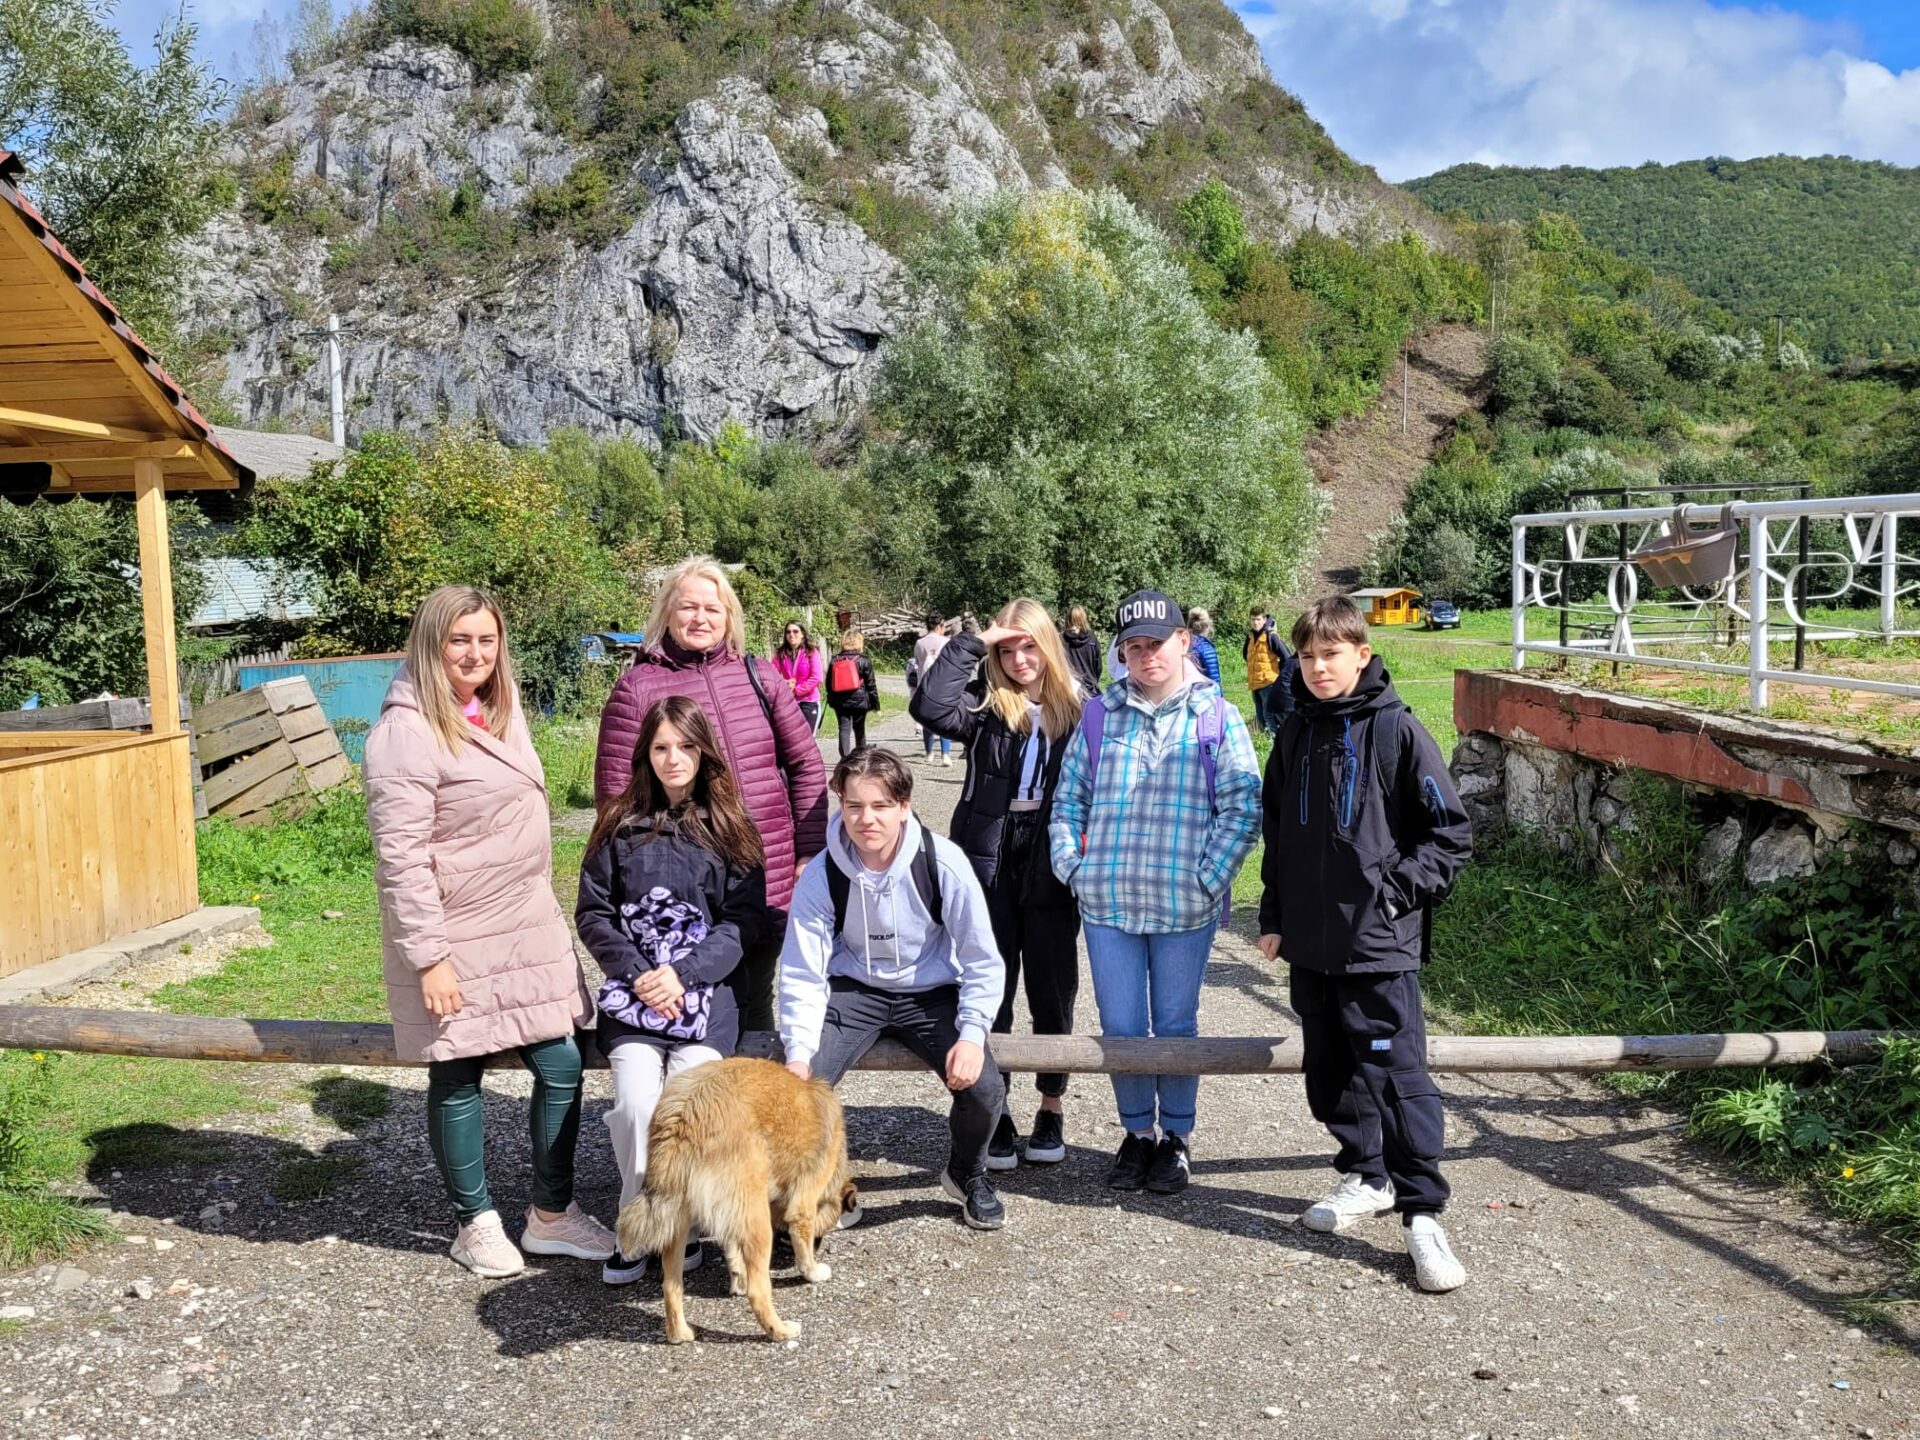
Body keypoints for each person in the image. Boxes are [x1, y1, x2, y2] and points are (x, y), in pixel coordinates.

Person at [365, 584, 613, 1278]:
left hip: (522, 920)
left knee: (561, 1061)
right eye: (458, 641)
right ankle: (474, 1222)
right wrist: (429, 959)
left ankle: (551, 1214)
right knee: (458, 1066)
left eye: (486, 639)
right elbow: (400, 857)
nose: (474, 654)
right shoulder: (406, 730)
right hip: (455, 929)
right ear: (431, 644)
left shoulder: (501, 711)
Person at [1256, 595, 1473, 1293]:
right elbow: (1278, 834)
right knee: (1330, 1073)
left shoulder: (1397, 731)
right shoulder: (1293, 734)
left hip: (1378, 944)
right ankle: (1366, 1175)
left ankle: (1422, 1215)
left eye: (1332, 655)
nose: (1320, 668)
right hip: (1311, 947)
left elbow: (1450, 833)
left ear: (1362, 656)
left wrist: (1394, 895)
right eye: (1310, 656)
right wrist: (1274, 911)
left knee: (1396, 1078)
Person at [1048, 590, 1261, 1195]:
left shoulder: (1216, 717)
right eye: (1134, 647)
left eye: (1157, 644)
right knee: (1119, 1024)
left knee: (1174, 1023)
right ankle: (1137, 1133)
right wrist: (1074, 869)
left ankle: (1176, 1138)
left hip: (1182, 905)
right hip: (1108, 903)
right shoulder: (1099, 715)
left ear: (1183, 642)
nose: (1146, 657)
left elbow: (1243, 806)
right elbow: (1068, 802)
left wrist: (1208, 879)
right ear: (1122, 652)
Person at [576, 695, 770, 1286]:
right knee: (637, 1105)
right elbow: (593, 913)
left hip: (706, 1003)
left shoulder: (732, 830)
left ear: (704, 751)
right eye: (661, 748)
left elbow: (743, 922)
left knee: (688, 1107)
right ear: (646, 755)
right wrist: (638, 972)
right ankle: (642, 1227)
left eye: (685, 746)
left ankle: (681, 1226)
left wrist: (684, 975)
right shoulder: (617, 824)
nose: (673, 759)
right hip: (634, 1004)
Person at [778, 747, 1009, 1230]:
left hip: (930, 991)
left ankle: (966, 1171)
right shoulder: (822, 873)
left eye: (881, 805)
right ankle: (828, 1189)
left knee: (986, 1088)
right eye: (855, 806)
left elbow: (982, 960)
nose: (866, 820)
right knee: (800, 1090)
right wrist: (798, 1051)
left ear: (904, 805)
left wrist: (971, 1035)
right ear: (839, 802)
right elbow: (802, 969)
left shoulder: (942, 863)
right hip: (855, 989)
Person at [595, 557, 828, 1034]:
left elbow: (806, 764)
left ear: (729, 616)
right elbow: (615, 800)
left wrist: (809, 850)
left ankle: (747, 1107)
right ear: (667, 613)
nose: (700, 618)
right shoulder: (636, 688)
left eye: (712, 608)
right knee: (687, 1010)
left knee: (756, 1002)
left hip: (763, 874)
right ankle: (687, 1104)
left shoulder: (758, 678)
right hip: (678, 889)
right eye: (688, 607)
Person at [909, 597, 1086, 1169]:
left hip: (1050, 852)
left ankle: (1052, 1106)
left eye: (1028, 645)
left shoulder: (1083, 710)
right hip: (989, 854)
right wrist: (975, 641)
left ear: (1049, 645)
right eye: (1008, 650)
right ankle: (999, 1107)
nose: (1019, 659)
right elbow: (930, 706)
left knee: (1053, 986)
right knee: (992, 983)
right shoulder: (987, 709)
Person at [825, 629, 881, 759]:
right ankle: (861, 757)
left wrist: (831, 698)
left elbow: (829, 683)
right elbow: (871, 684)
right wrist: (875, 704)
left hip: (840, 701)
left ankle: (844, 758)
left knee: (843, 728)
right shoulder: (864, 660)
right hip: (860, 700)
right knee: (859, 729)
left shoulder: (835, 660)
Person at [1245, 606, 1294, 736]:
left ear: (1264, 619)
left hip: (1269, 682)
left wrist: (1279, 675)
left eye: (1258, 619)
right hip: (1255, 683)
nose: (1256, 622)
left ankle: (1276, 740)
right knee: (1261, 716)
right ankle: (1269, 739)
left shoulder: (1271, 637)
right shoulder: (1250, 637)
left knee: (1269, 715)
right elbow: (1246, 656)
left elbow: (1286, 657)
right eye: (1253, 619)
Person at [911, 616, 954, 766]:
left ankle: (929, 753)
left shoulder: (919, 643)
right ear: (940, 626)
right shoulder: (946, 642)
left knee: (926, 719)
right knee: (944, 718)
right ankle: (946, 755)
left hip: (925, 683)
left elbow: (917, 662)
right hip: (944, 684)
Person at [773, 621, 825, 735]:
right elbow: (772, 675)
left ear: (802, 634)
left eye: (795, 631)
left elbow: (817, 677)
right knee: (791, 740)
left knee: (808, 740)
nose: (792, 634)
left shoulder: (811, 652)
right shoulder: (780, 654)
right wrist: (785, 683)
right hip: (789, 702)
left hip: (809, 701)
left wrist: (797, 690)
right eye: (788, 632)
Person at [1060, 607, 1103, 692]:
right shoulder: (1092, 638)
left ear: (1068, 619)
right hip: (1090, 688)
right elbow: (1098, 666)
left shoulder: (1061, 640)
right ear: (1084, 618)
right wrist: (1093, 680)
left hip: (1070, 689)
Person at [1186, 608, 1222, 686]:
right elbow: (1214, 681)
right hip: (1203, 694)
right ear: (1207, 625)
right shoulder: (1206, 648)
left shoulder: (1183, 645)